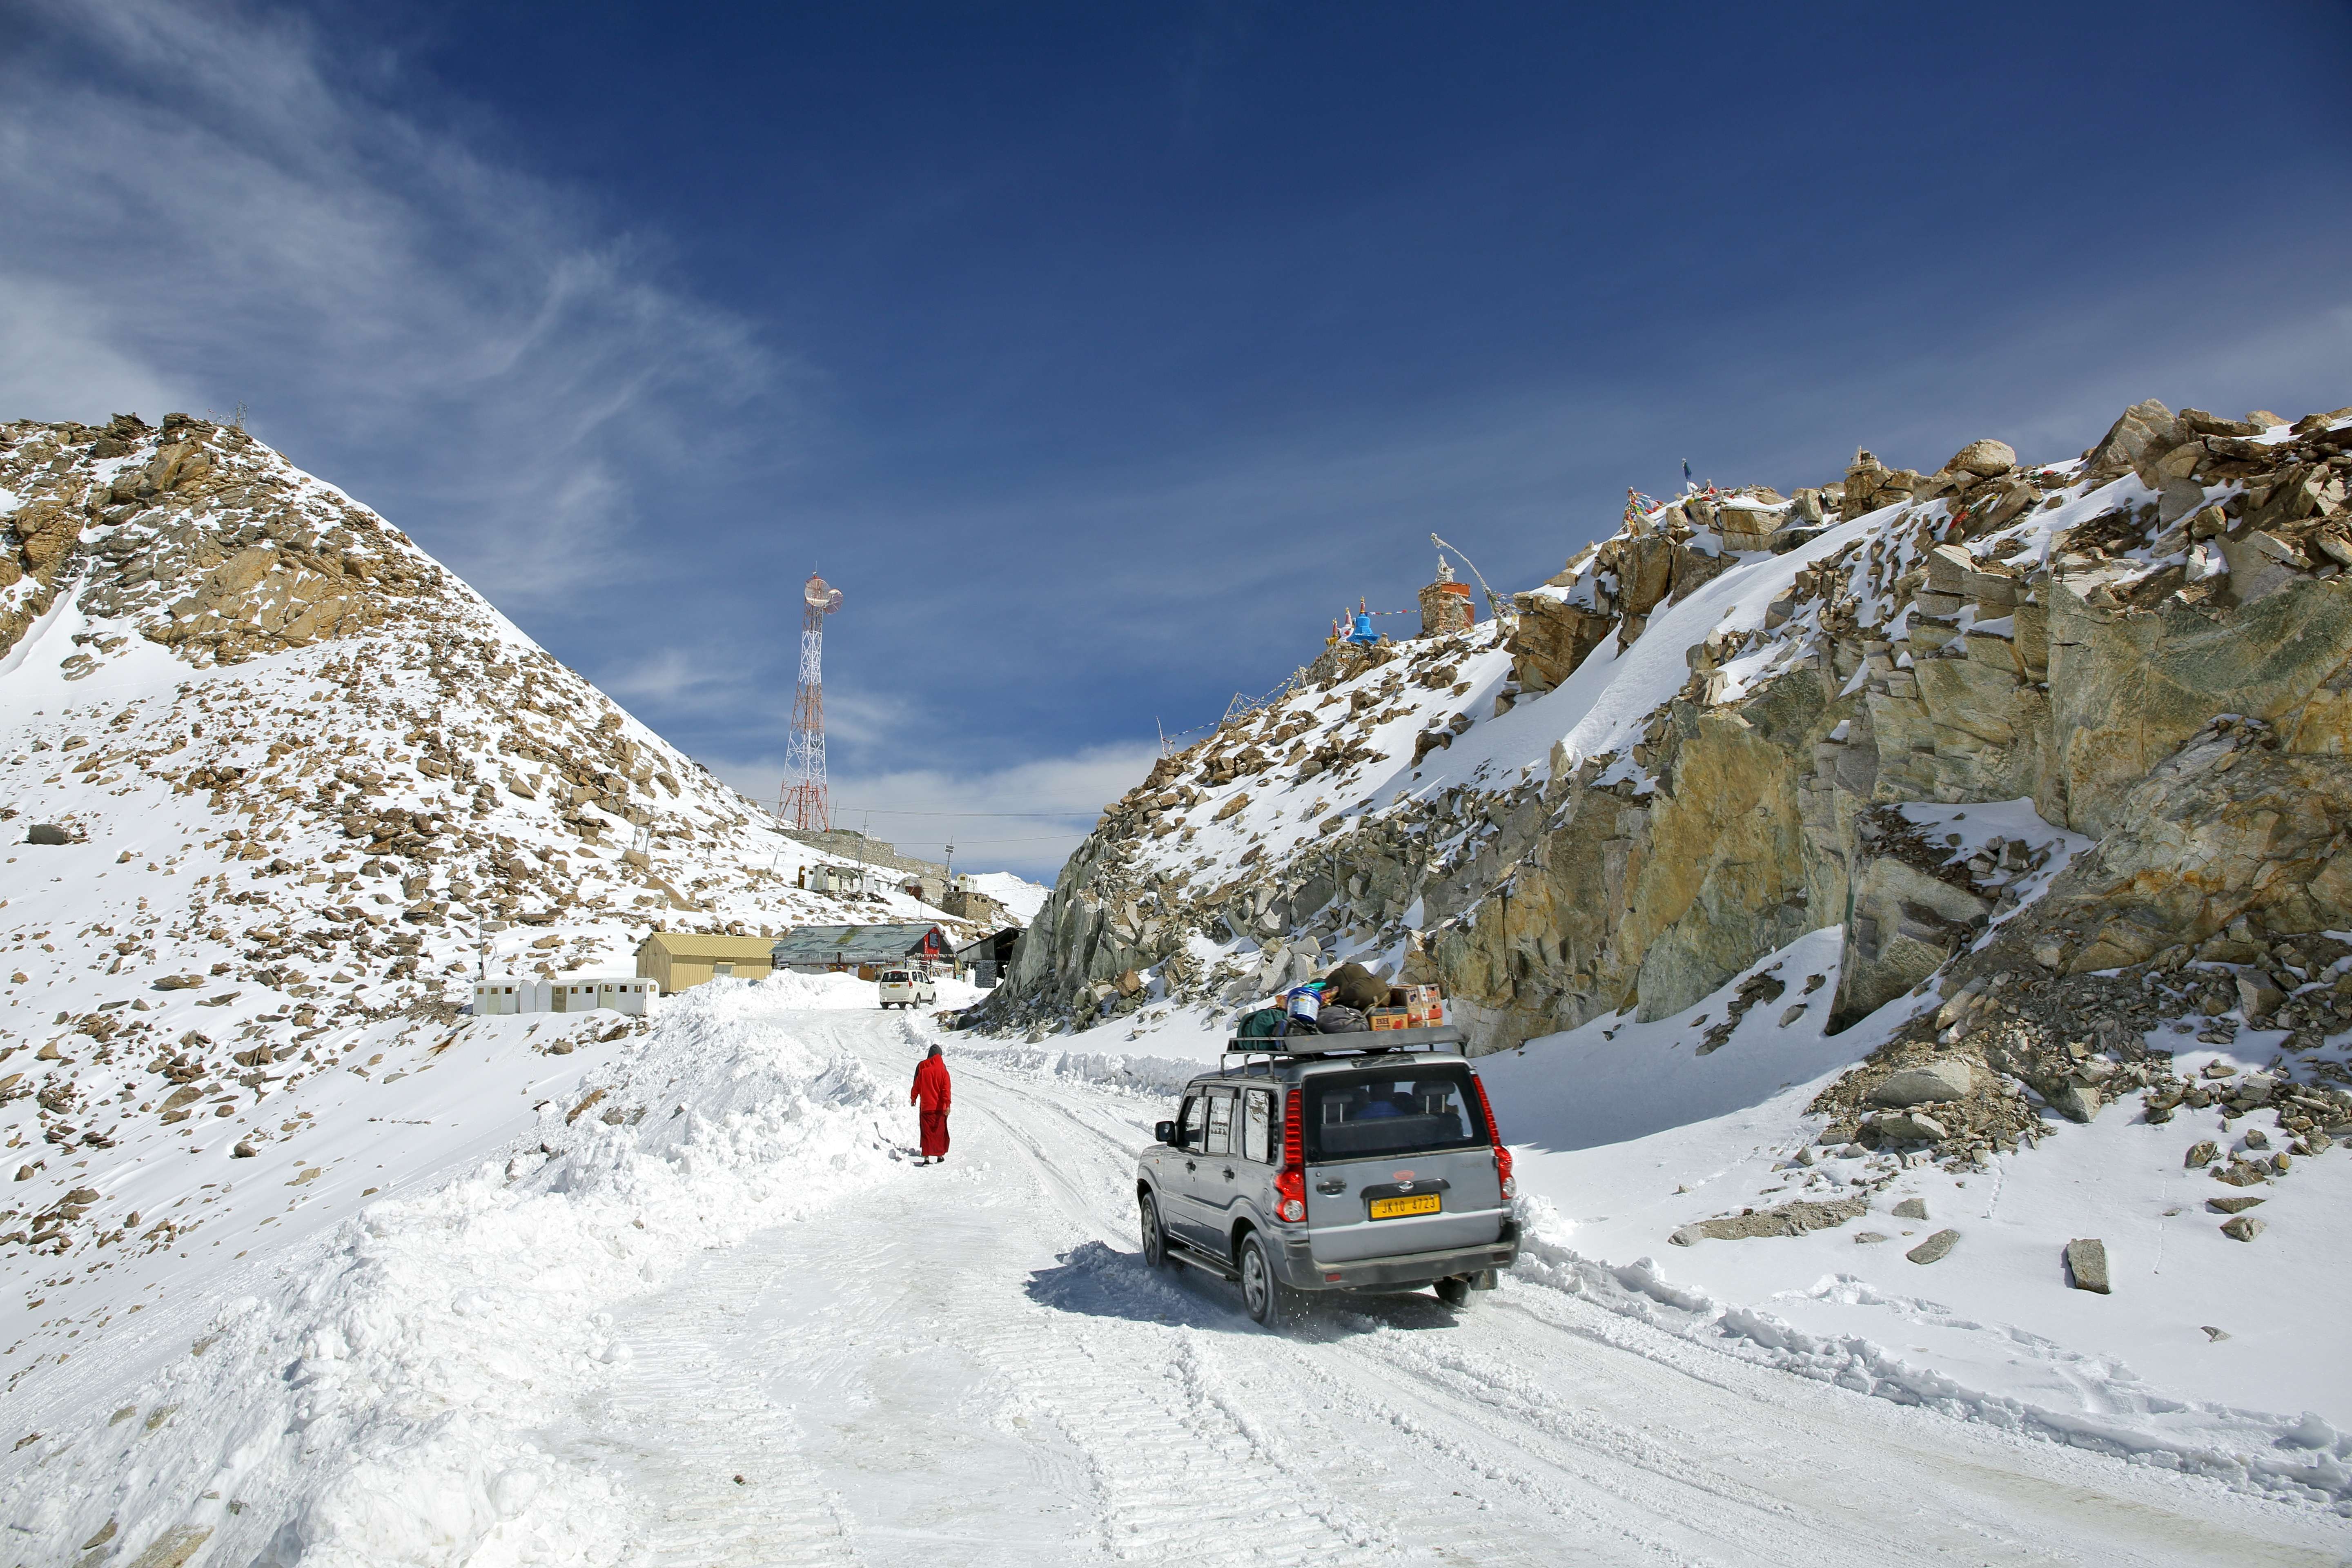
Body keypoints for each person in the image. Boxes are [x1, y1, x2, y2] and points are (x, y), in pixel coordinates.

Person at [910, 1044, 952, 1164]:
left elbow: (916, 1086)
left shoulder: (922, 1069)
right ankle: (939, 1156)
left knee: (927, 1132)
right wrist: (947, 1105)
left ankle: (927, 1157)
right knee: (939, 1132)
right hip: (940, 1108)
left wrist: (914, 1099)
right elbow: (946, 1090)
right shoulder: (944, 1071)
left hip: (926, 1106)